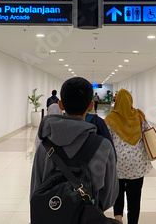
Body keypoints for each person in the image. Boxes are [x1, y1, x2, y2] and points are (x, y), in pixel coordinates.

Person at [31, 77, 118, 212]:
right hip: (89, 217)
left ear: (60, 105)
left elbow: (36, 191)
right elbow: (109, 198)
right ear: (90, 105)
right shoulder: (104, 146)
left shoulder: (44, 146)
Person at [105, 88, 152, 224]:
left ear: (117, 101)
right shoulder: (139, 116)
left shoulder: (110, 118)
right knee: (135, 198)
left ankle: (118, 219)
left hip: (117, 165)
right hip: (137, 166)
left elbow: (106, 141)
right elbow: (148, 133)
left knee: (117, 195)